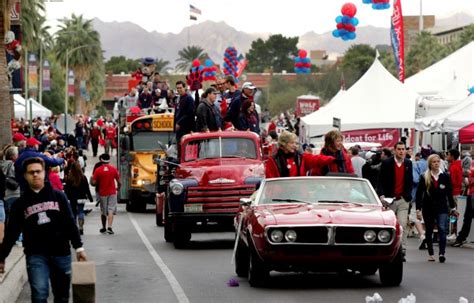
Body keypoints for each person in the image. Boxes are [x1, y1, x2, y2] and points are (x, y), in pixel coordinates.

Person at [0, 157, 87, 300]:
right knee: (40, 294)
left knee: (62, 295)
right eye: (31, 172)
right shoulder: (20, 204)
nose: (35, 175)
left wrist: (79, 248)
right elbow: (12, 232)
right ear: (25, 176)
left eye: (38, 171)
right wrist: (2, 256)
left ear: (44, 173)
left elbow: (70, 223)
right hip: (36, 254)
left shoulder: (59, 196)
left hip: (61, 252)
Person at [416, 154, 456, 263]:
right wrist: (418, 209)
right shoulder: (424, 176)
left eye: (438, 161)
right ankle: (431, 253)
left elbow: (449, 193)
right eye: (434, 162)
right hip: (428, 207)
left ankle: (442, 253)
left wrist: (453, 207)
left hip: (442, 207)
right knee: (429, 231)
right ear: (430, 163)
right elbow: (419, 194)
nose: (436, 163)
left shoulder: (445, 176)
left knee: (442, 229)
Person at [377, 141, 413, 261]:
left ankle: (402, 251)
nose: (402, 151)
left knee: (402, 225)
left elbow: (410, 180)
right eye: (399, 149)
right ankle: (391, 250)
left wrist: (409, 196)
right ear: (394, 150)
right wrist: (382, 196)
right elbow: (380, 180)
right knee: (391, 226)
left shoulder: (408, 163)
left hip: (403, 199)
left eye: (403, 149)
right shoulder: (387, 163)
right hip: (389, 199)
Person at [265, 131, 335, 178]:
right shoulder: (273, 161)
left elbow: (316, 159)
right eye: (292, 143)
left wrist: (332, 159)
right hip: (281, 196)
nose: (295, 146)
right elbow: (271, 181)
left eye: (295, 143)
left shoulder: (300, 157)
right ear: (284, 144)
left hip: (299, 195)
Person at [91, 153, 120, 235]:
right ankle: (109, 227)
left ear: (101, 160)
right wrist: (119, 188)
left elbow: (94, 182)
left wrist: (93, 181)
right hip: (112, 192)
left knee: (103, 211)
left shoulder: (98, 170)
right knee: (111, 210)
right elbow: (119, 181)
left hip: (103, 192)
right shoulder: (114, 169)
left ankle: (104, 227)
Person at [65, 162, 93, 235]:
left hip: (72, 198)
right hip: (81, 198)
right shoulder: (83, 177)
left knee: (73, 213)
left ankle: (74, 228)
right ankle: (81, 227)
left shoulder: (69, 178)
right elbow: (87, 188)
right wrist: (90, 198)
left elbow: (67, 189)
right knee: (81, 212)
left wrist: (66, 197)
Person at [174, 80, 195, 146]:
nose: (179, 89)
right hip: (178, 130)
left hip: (186, 129)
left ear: (184, 88)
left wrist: (179, 123)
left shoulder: (189, 99)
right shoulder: (178, 99)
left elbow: (190, 113)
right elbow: (176, 114)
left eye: (180, 88)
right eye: (177, 88)